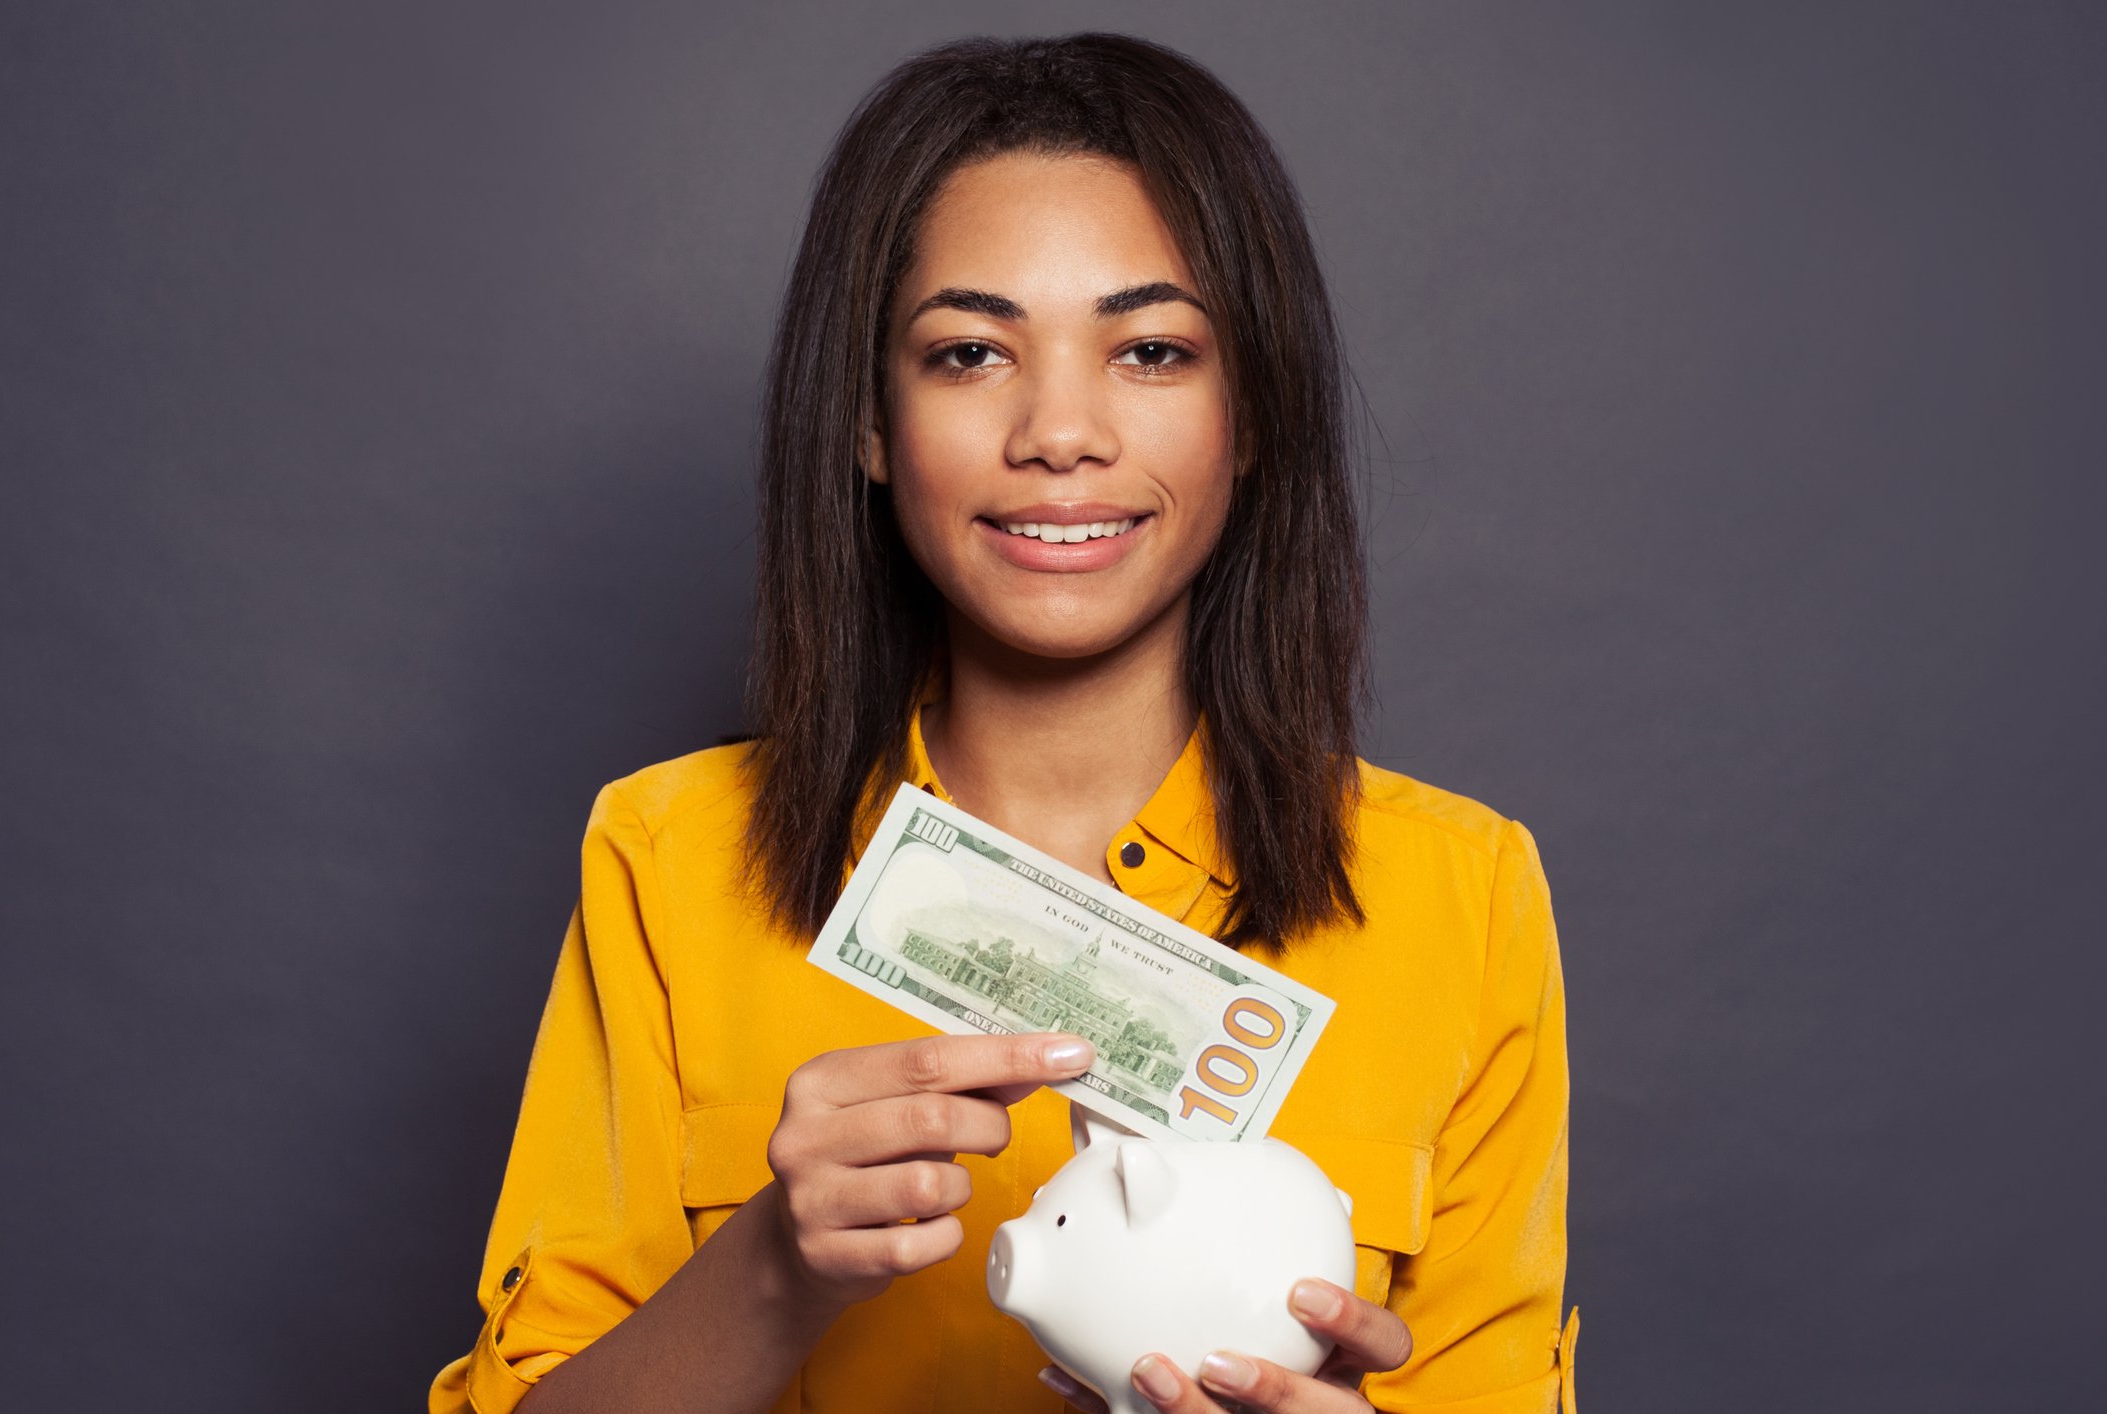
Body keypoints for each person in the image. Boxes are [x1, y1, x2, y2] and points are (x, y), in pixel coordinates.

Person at [429, 31, 1577, 1414]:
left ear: (1252, 409)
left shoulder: (1460, 900)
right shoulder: (670, 862)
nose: (1060, 431)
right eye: (969, 352)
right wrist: (775, 1269)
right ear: (866, 419)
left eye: (1150, 349)